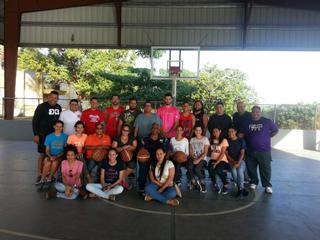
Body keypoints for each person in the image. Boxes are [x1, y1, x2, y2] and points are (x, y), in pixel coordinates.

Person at [239, 106, 278, 194]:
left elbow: (275, 130)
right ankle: (253, 182)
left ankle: (267, 185)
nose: (255, 113)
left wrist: (268, 136)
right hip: (250, 150)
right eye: (254, 112)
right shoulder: (246, 122)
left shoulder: (267, 121)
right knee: (251, 168)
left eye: (257, 112)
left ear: (260, 112)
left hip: (264, 150)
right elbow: (241, 133)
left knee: (265, 169)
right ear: (251, 112)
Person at [32, 90, 62, 184]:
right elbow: (35, 121)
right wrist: (36, 134)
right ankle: (40, 174)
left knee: (52, 155)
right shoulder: (41, 107)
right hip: (43, 135)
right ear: (48, 97)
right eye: (52, 97)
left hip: (54, 136)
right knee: (42, 154)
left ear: (58, 99)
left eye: (55, 98)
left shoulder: (58, 107)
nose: (53, 99)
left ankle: (49, 175)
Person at [138, 123, 171, 195]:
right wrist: (142, 155)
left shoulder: (164, 139)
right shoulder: (145, 139)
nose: (155, 130)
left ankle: (161, 187)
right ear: (151, 129)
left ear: (159, 130)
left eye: (156, 128)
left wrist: (165, 160)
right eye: (153, 128)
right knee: (143, 167)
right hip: (147, 160)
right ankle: (142, 188)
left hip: (159, 160)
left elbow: (169, 150)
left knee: (162, 171)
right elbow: (140, 150)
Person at [38, 120, 68, 187]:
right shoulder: (49, 136)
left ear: (63, 127)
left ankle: (49, 178)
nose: (59, 128)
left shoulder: (65, 137)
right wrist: (50, 156)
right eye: (57, 126)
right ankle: (42, 179)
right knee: (48, 162)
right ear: (54, 127)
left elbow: (65, 150)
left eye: (61, 127)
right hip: (50, 155)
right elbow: (47, 150)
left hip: (60, 156)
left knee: (54, 162)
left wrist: (57, 156)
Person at [112, 124, 138, 190]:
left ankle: (120, 180)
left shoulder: (132, 138)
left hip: (129, 156)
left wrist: (129, 147)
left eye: (127, 131)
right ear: (121, 130)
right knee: (122, 166)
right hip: (119, 156)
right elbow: (114, 148)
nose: (125, 132)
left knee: (132, 164)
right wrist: (123, 148)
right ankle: (125, 184)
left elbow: (135, 147)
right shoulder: (117, 138)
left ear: (129, 131)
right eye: (124, 130)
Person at [226, 126, 248, 197]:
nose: (230, 133)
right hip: (231, 161)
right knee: (233, 171)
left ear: (235, 132)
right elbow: (226, 154)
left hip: (241, 160)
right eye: (229, 132)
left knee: (239, 171)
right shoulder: (227, 141)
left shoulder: (241, 140)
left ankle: (240, 189)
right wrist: (233, 162)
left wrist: (238, 162)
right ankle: (241, 188)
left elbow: (242, 153)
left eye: (232, 131)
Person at [208, 127, 229, 195]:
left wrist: (217, 162)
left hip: (222, 159)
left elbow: (222, 153)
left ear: (220, 131)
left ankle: (225, 183)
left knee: (219, 170)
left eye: (216, 131)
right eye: (213, 132)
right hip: (213, 159)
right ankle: (214, 183)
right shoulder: (211, 140)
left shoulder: (224, 140)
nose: (215, 133)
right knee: (210, 168)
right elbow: (209, 152)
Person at [188, 125, 209, 193]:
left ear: (201, 131)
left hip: (202, 159)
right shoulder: (192, 139)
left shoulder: (205, 139)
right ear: (194, 131)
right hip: (193, 158)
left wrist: (198, 160)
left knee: (197, 169)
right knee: (190, 167)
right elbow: (190, 151)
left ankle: (203, 184)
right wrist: (193, 158)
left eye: (199, 130)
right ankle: (194, 182)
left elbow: (205, 153)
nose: (198, 132)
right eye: (196, 130)